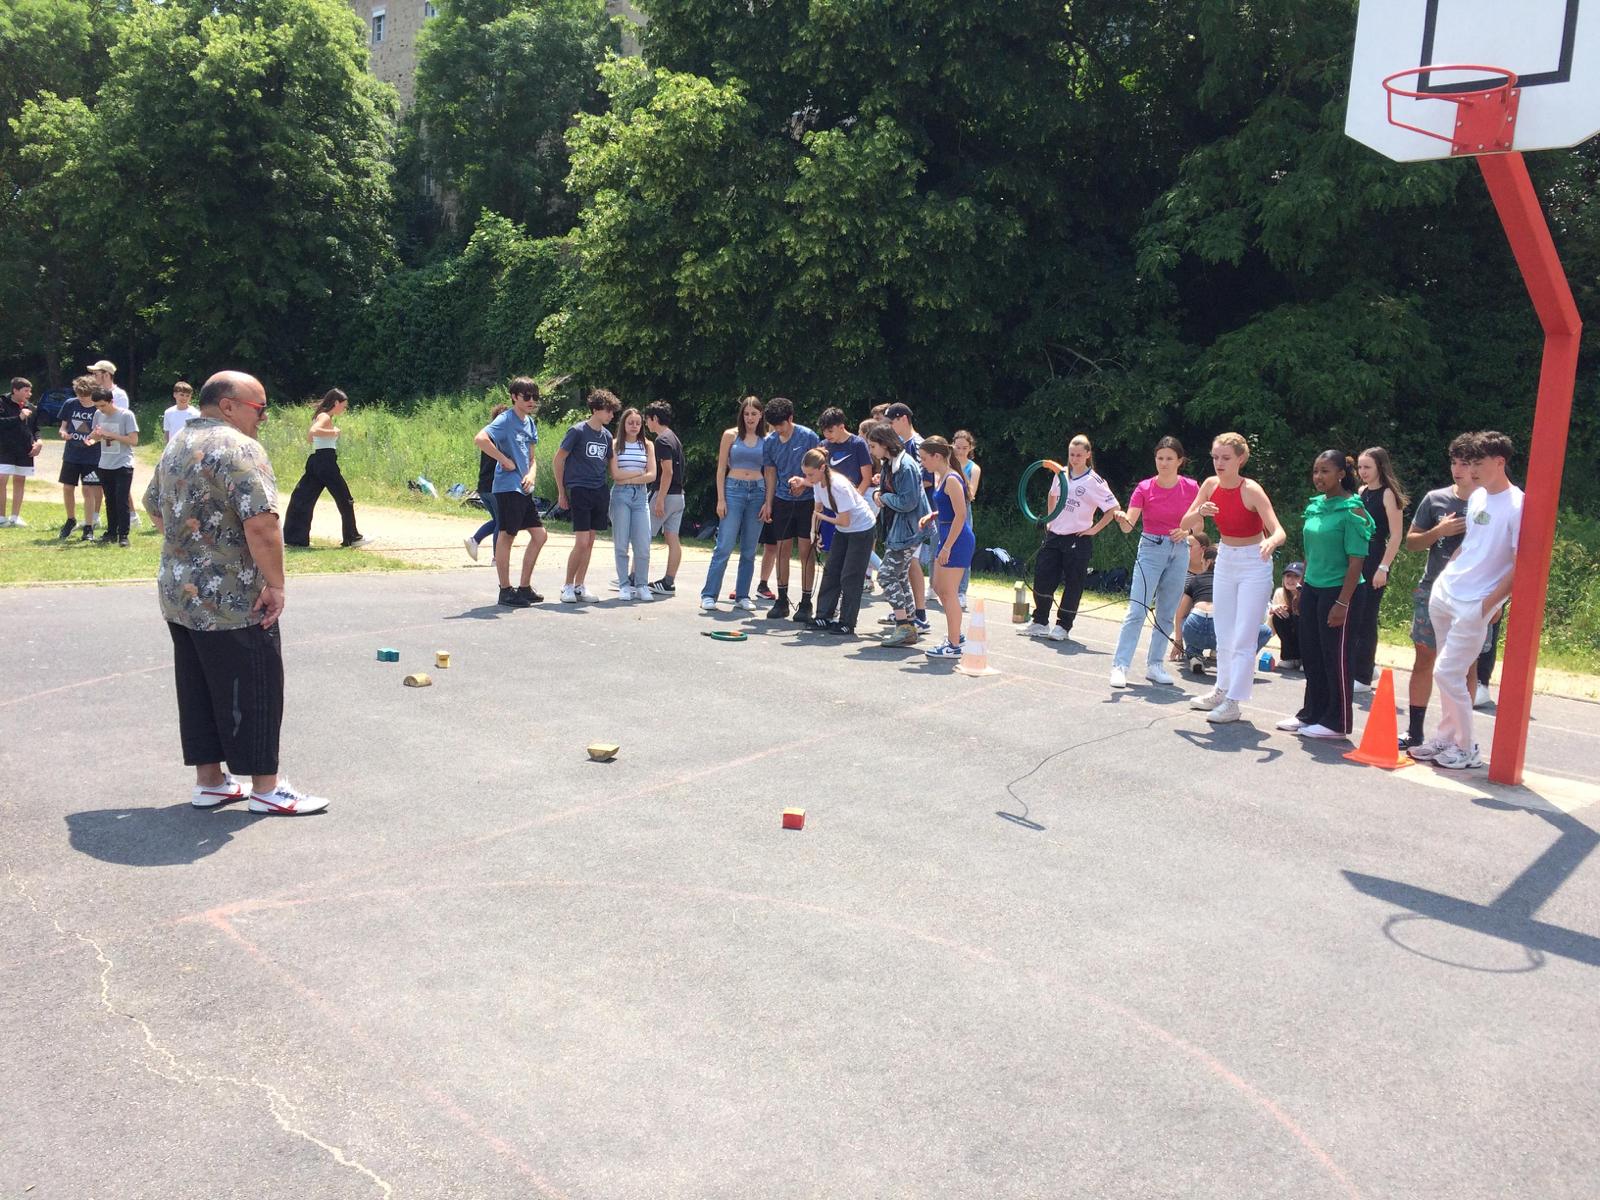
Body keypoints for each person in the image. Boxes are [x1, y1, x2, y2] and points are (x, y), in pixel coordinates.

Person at [141, 370, 327, 815]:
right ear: (228, 406)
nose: (263, 418)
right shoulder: (239, 447)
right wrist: (276, 585)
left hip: (180, 592)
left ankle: (211, 782)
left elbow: (152, 505)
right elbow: (262, 523)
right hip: (231, 596)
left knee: (199, 685)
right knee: (257, 683)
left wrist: (193, 550)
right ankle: (266, 788)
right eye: (258, 409)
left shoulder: (177, 444)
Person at [1411, 431, 1522, 771]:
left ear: (1499, 462)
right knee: (1447, 672)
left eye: (1478, 463)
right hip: (1447, 592)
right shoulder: (1477, 498)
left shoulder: (1519, 505)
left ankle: (1468, 747)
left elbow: (1520, 565)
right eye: (1467, 462)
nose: (1470, 470)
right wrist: (1448, 575)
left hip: (1476, 602)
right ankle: (1446, 737)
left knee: (1447, 672)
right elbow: (1469, 545)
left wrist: (1491, 603)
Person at [1180, 432, 1286, 724]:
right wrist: (1200, 510)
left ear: (1241, 459)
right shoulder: (1210, 485)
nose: (1219, 463)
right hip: (1225, 558)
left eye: (1226, 458)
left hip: (1255, 561)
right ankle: (1221, 690)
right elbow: (1185, 522)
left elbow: (1278, 529)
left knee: (1243, 636)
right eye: (1215, 457)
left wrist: (1271, 542)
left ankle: (1234, 702)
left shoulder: (1251, 489)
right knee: (1224, 632)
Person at [1275, 451, 1374, 740]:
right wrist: (1303, 587)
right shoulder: (1317, 506)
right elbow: (1311, 552)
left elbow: (1357, 560)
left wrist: (1343, 602)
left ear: (1341, 473)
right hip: (1314, 588)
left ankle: (1337, 722)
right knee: (1313, 655)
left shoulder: (1352, 510)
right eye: (1315, 471)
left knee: (1336, 657)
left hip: (1341, 590)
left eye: (1325, 471)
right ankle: (1312, 713)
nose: (1318, 477)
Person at [1109, 436, 1198, 688]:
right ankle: (1120, 665)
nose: (1164, 463)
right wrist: (1120, 518)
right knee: (1137, 609)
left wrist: (1187, 533)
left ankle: (1155, 665)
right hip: (1150, 547)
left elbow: (1198, 524)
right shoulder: (1144, 488)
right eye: (1160, 458)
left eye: (1170, 458)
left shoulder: (1191, 487)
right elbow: (1129, 526)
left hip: (1179, 549)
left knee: (1167, 612)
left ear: (1180, 461)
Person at [1021, 434, 1119, 643]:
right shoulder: (1061, 473)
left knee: (1074, 583)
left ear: (1087, 455)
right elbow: (1052, 495)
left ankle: (1063, 625)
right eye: (1071, 454)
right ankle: (1040, 621)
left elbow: (1113, 508)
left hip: (1078, 537)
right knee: (1043, 577)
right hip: (1055, 534)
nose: (1074, 458)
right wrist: (1049, 519)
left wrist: (1094, 529)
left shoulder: (1095, 481)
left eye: (1078, 455)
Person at [474, 379, 548, 607]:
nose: (531, 401)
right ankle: (505, 590)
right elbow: (480, 439)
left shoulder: (530, 423)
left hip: (524, 488)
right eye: (527, 397)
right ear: (514, 396)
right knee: (507, 535)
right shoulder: (505, 420)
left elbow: (532, 458)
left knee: (540, 535)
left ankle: (524, 587)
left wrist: (532, 475)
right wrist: (503, 459)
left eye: (535, 397)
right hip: (507, 487)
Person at [799, 446, 878, 635]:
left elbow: (843, 519)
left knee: (850, 575)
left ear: (822, 468)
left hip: (861, 529)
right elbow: (817, 509)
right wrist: (814, 533)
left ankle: (847, 622)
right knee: (831, 570)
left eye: (810, 474)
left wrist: (821, 518)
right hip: (844, 529)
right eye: (806, 475)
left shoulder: (838, 485)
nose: (808, 479)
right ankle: (823, 616)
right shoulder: (818, 483)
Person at [700, 396, 768, 612]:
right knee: (724, 546)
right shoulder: (731, 435)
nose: (750, 418)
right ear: (741, 415)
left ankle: (743, 594)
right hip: (733, 490)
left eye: (754, 414)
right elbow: (721, 469)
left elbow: (770, 472)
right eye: (746, 414)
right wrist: (721, 499)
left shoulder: (768, 438)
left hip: (757, 491)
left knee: (749, 549)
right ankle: (709, 594)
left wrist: (768, 501)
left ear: (760, 415)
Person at [867, 422, 930, 647]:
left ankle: (904, 625)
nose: (871, 451)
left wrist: (883, 498)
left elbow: (908, 501)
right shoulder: (891, 463)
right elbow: (885, 489)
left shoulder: (905, 466)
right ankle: (909, 625)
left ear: (885, 444)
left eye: (873, 446)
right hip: (900, 529)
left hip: (908, 530)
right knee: (900, 576)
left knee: (885, 575)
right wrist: (878, 492)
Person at [554, 389, 621, 603]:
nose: (611, 415)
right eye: (608, 410)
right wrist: (561, 491)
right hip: (579, 489)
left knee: (591, 541)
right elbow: (559, 460)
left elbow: (611, 465)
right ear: (595, 409)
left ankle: (580, 586)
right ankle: (567, 585)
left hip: (599, 490)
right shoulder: (577, 431)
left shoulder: (607, 436)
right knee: (581, 542)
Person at [759, 397, 822, 621]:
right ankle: (782, 599)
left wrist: (804, 483)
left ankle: (806, 602)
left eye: (782, 425)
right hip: (781, 501)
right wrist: (768, 502)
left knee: (806, 551)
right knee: (782, 549)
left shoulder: (808, 437)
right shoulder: (770, 441)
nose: (778, 430)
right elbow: (770, 473)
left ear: (791, 419)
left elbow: (820, 469)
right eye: (774, 426)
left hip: (807, 501)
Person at [1350, 447, 1407, 692]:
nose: (1362, 472)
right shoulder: (1361, 492)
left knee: (1367, 616)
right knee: (1355, 614)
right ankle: (1366, 664)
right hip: (1357, 555)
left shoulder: (1388, 495)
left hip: (1376, 556)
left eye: (1367, 467)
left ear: (1380, 467)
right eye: (1360, 467)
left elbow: (1395, 537)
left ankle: (1362, 676)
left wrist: (1383, 567)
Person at [282, 388, 367, 549]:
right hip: (326, 461)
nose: (344, 408)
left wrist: (327, 434)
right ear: (336, 403)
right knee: (345, 499)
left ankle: (295, 538)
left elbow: (309, 439)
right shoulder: (325, 416)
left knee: (303, 497)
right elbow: (313, 432)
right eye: (344, 405)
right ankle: (352, 537)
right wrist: (333, 431)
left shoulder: (320, 415)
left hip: (316, 461)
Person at [1172, 537, 1272, 674]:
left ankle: (1194, 654)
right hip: (1219, 630)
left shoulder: (1195, 580)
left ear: (1207, 562)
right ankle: (1236, 660)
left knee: (1186, 620)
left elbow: (1180, 613)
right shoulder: (1233, 582)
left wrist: (1178, 640)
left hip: (1195, 623)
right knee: (1265, 631)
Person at [916, 437, 976, 657]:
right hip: (947, 536)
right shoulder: (940, 476)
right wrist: (933, 515)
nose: (922, 463)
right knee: (940, 588)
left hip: (957, 540)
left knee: (949, 592)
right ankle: (956, 635)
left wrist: (947, 547)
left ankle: (953, 645)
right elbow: (950, 509)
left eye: (924, 458)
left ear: (937, 456)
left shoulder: (951, 478)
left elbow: (961, 515)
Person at [884, 403, 932, 630]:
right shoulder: (903, 445)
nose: (890, 427)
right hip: (906, 516)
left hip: (917, 517)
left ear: (903, 418)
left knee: (910, 564)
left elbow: (926, 480)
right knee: (903, 569)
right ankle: (907, 612)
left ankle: (919, 614)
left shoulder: (917, 444)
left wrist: (891, 491)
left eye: (891, 422)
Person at [609, 406, 657, 600]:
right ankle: (623, 585)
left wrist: (630, 478)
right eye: (630, 422)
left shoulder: (647, 445)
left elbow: (652, 475)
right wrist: (638, 473)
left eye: (638, 423)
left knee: (643, 543)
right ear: (624, 424)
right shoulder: (615, 445)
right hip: (620, 495)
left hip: (640, 496)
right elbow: (615, 475)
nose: (634, 426)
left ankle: (642, 584)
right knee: (621, 543)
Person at [87, 360, 139, 526]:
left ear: (106, 374)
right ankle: (103, 521)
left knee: (120, 490)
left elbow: (120, 422)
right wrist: (94, 436)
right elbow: (96, 426)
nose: (93, 376)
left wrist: (108, 434)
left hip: (119, 448)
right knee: (109, 491)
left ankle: (131, 517)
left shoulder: (119, 395)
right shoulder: (97, 396)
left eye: (96, 373)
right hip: (105, 447)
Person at [644, 401, 685, 596]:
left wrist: (660, 499)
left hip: (666, 495)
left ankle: (636, 578)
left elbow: (667, 472)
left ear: (654, 419)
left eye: (647, 419)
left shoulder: (661, 440)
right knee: (672, 538)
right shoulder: (674, 438)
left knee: (643, 535)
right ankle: (668, 582)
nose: (646, 423)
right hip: (679, 496)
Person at [56, 376, 103, 540]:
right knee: (68, 487)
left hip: (92, 456)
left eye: (85, 395)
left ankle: (88, 526)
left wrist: (91, 439)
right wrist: (63, 433)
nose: (82, 398)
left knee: (88, 489)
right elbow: (63, 426)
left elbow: (100, 432)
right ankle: (70, 519)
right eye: (79, 395)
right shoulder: (70, 404)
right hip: (71, 454)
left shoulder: (98, 408)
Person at [464, 403, 510, 562]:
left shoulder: (488, 435)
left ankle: (474, 540)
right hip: (495, 487)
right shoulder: (501, 437)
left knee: (498, 520)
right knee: (502, 522)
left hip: (483, 487)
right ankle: (498, 558)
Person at [0, 376, 41, 527]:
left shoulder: (31, 407)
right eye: (26, 391)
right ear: (15, 390)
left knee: (20, 480)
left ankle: (15, 517)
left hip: (25, 450)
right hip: (4, 448)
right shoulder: (2, 403)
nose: (29, 394)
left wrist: (39, 442)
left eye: (30, 391)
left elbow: (35, 429)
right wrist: (19, 417)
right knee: (1, 480)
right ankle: (1, 518)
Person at [951, 430, 982, 609]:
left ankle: (961, 591)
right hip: (946, 510)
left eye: (964, 448)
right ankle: (942, 587)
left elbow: (971, 494)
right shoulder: (947, 463)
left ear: (970, 448)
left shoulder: (974, 468)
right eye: (958, 447)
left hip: (963, 510)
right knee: (941, 548)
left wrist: (958, 480)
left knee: (963, 549)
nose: (960, 451)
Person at [1269, 563, 1304, 669]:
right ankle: (1289, 657)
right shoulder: (1280, 593)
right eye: (1288, 576)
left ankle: (1306, 659)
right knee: (1279, 615)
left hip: (1307, 637)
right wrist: (1273, 609)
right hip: (1292, 638)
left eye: (1296, 576)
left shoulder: (1309, 594)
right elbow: (1272, 626)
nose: (1291, 580)